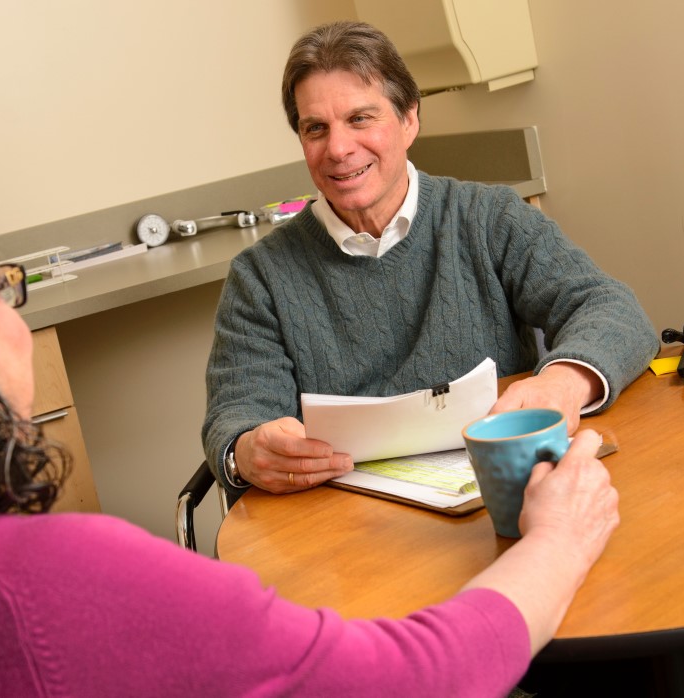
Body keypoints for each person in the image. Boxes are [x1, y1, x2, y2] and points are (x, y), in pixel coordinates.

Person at [0, 161, 618, 696]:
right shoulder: (53, 583)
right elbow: (413, 682)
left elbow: (602, 306)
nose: (341, 149)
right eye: (1, 289)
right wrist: (560, 541)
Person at [202, 20, 658, 496]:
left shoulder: (488, 218)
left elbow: (612, 309)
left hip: (498, 495)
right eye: (316, 128)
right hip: (342, 525)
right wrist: (246, 450)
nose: (338, 149)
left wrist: (563, 383)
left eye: (360, 118)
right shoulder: (260, 277)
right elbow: (235, 417)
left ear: (409, 120)